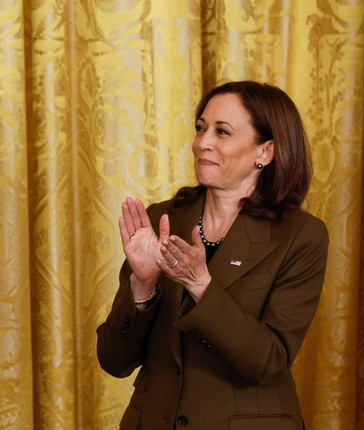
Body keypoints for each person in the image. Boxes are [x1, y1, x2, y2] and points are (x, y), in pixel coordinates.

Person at [97, 81, 328, 429]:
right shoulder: (163, 219)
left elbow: (267, 362)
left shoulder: (300, 235)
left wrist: (200, 285)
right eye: (201, 128)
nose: (202, 143)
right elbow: (114, 361)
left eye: (222, 132)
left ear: (265, 152)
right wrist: (143, 286)